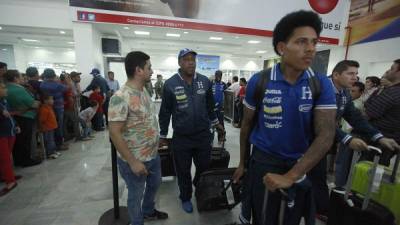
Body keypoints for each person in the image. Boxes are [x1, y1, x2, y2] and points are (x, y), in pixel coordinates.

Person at [232, 10, 338, 225]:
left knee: (291, 216)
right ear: (282, 48)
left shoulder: (320, 84)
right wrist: (242, 163)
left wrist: (292, 175)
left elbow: (326, 134)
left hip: (301, 162)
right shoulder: (259, 81)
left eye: (313, 42)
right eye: (301, 42)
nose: (310, 49)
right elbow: (246, 125)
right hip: (264, 160)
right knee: (263, 215)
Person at [317, 60, 399, 219]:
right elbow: (321, 121)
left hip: (322, 143)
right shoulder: (321, 89)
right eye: (350, 73)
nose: (355, 78)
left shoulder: (344, 92)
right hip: (305, 144)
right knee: (310, 180)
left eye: (356, 74)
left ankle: (320, 209)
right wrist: (347, 139)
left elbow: (355, 117)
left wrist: (379, 137)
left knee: (318, 178)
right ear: (336, 75)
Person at [159, 48, 224, 213]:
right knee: (183, 170)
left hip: (203, 135)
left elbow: (210, 106)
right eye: (186, 59)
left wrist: (216, 123)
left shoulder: (204, 81)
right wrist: (163, 134)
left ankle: (198, 185)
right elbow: (165, 111)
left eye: (193, 60)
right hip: (182, 137)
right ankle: (186, 197)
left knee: (204, 166)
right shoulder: (170, 84)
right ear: (180, 63)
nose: (190, 63)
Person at [108, 51, 168, 225]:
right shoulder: (120, 97)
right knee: (135, 195)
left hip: (152, 154)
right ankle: (137, 222)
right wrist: (133, 162)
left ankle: (148, 211)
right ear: (138, 70)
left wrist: (157, 139)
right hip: (134, 159)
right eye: (149, 67)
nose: (151, 70)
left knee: (155, 184)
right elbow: (114, 133)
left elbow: (145, 120)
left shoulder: (143, 91)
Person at [364, 59, 400, 165]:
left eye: (392, 68)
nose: (389, 71)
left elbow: (369, 113)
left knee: (367, 171)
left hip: (379, 140)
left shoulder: (392, 92)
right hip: (393, 140)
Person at [5, 70, 41, 167]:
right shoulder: (18, 89)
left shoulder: (7, 88)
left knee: (18, 141)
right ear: (15, 78)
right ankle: (26, 160)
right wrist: (37, 103)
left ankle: (19, 160)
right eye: (21, 76)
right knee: (25, 140)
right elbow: (33, 103)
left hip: (15, 117)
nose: (23, 78)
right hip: (25, 116)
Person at [40, 69, 70, 150]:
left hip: (48, 107)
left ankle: (53, 146)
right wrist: (66, 78)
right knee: (58, 126)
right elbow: (67, 87)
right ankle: (59, 144)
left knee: (51, 127)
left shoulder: (42, 85)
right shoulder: (56, 85)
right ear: (53, 76)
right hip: (58, 107)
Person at [0, 81, 20, 196]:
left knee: (7, 156)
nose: (6, 89)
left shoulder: (4, 101)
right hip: (2, 134)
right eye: (3, 88)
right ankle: (10, 180)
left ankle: (8, 175)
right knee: (4, 158)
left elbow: (10, 114)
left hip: (10, 131)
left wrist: (16, 124)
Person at [38, 95, 60, 159]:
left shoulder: (49, 107)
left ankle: (53, 151)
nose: (53, 101)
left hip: (51, 127)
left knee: (52, 140)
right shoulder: (44, 109)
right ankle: (50, 153)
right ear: (45, 101)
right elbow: (42, 119)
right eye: (51, 99)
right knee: (49, 141)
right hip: (47, 128)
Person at [212, 70, 227, 141]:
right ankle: (210, 138)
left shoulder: (223, 84)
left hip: (220, 107)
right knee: (211, 123)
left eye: (220, 75)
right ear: (215, 75)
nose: (218, 77)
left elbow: (227, 95)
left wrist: (225, 106)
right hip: (211, 107)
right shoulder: (211, 83)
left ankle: (221, 137)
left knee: (221, 122)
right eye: (217, 75)